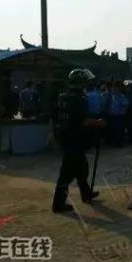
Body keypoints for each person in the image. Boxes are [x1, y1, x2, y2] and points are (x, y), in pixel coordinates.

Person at [52, 69, 106, 213]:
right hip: (74, 138)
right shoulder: (78, 99)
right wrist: (98, 122)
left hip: (67, 137)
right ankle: (58, 204)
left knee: (82, 168)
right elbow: (83, 120)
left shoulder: (63, 96)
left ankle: (86, 193)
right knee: (67, 173)